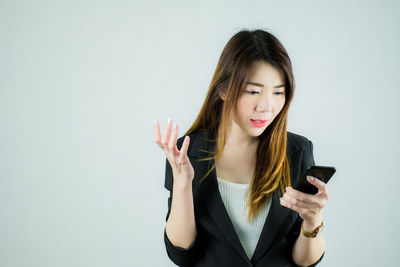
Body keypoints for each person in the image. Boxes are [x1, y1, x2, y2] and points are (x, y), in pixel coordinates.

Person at [153, 29, 329, 267]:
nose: (267, 106)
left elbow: (304, 262)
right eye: (253, 91)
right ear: (223, 89)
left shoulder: (297, 151)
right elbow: (181, 254)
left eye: (278, 92)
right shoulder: (187, 151)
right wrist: (183, 184)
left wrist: (312, 220)